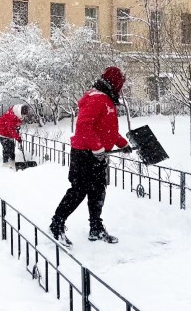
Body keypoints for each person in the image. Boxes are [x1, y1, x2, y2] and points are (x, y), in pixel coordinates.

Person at [49, 67, 132, 247]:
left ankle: (96, 227)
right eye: (120, 84)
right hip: (84, 154)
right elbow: (84, 127)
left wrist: (122, 143)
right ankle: (56, 224)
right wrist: (97, 148)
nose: (121, 88)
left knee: (98, 191)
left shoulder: (106, 99)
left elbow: (107, 130)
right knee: (78, 191)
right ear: (114, 82)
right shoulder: (97, 99)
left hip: (97, 155)